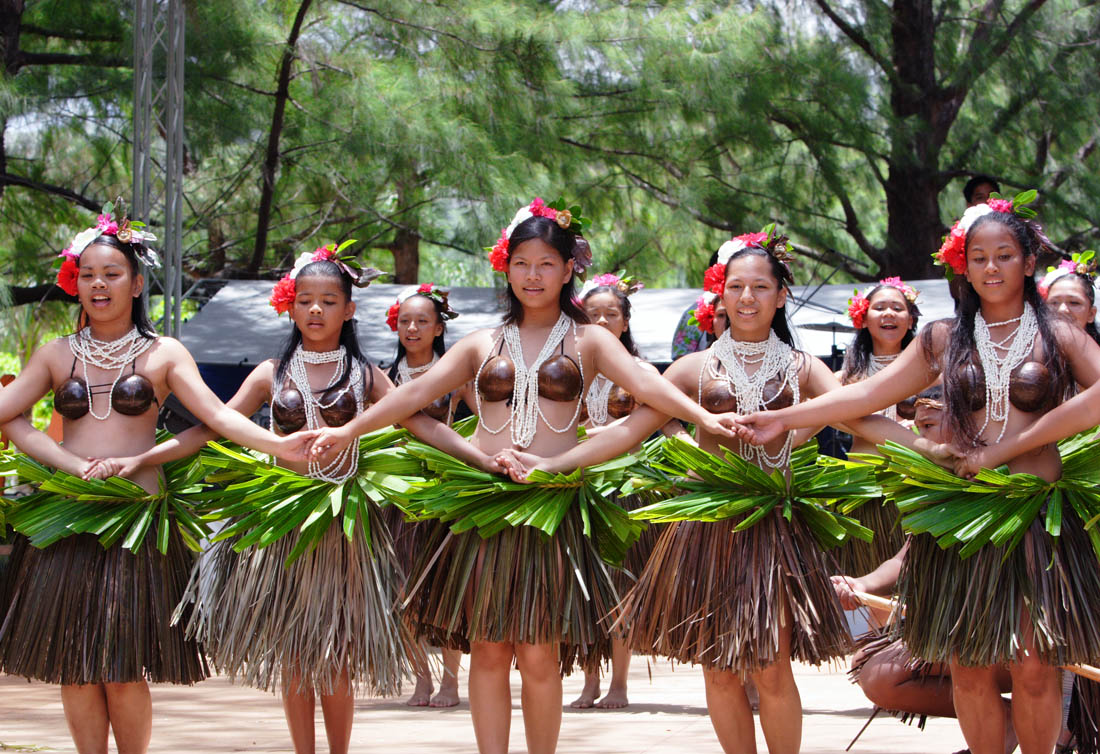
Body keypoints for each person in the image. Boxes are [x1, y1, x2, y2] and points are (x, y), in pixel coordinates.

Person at [307, 197, 741, 754]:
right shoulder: (480, 343)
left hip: (551, 507)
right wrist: (350, 432)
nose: (532, 276)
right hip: (485, 508)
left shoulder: (590, 341)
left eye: (545, 265)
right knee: (487, 648)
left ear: (567, 271)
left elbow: (651, 396)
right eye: (521, 264)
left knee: (539, 651)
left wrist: (698, 418)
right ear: (505, 268)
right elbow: (413, 397)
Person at [494, 227, 931, 754]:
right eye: (736, 287)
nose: (747, 298)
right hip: (706, 535)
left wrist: (931, 451)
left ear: (781, 295)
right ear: (720, 295)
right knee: (720, 673)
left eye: (761, 288)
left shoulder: (803, 367)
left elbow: (862, 419)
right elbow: (632, 427)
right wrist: (555, 462)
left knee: (771, 670)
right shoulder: (692, 369)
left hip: (776, 533)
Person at [95, 245, 497, 754]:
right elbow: (214, 427)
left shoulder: (366, 374)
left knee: (336, 654)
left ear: (348, 310)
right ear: (290, 306)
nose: (315, 311)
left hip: (346, 528)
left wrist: (481, 458)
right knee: (294, 651)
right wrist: (146, 459)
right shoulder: (270, 373)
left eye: (328, 301)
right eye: (305, 300)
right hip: (282, 527)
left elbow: (419, 423)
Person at [737, 195, 1100, 754]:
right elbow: (863, 397)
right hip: (958, 516)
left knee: (1034, 666)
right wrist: (783, 417)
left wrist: (1010, 448)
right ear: (963, 265)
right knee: (969, 666)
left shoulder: (1058, 334)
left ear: (1029, 262)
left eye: (1005, 255)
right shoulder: (943, 337)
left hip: (1035, 515)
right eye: (978, 257)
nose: (991, 268)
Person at [0, 208, 316, 754]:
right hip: (66, 522)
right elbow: (8, 415)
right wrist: (66, 463)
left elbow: (215, 418)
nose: (99, 284)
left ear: (138, 282)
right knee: (75, 669)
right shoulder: (56, 354)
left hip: (137, 523)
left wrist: (276, 445)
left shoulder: (163, 353)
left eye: (113, 274)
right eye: (89, 275)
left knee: (122, 669)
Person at [569, 271, 660, 710]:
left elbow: (670, 424)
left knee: (621, 588)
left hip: (628, 489)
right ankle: (588, 681)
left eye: (611, 314)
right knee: (586, 589)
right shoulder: (570, 369)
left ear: (625, 323)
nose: (602, 321)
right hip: (579, 486)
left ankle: (619, 683)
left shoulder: (642, 372)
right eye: (593, 315)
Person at [384, 283, 469, 708]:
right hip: (397, 496)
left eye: (422, 321)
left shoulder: (457, 377)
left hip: (445, 490)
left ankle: (451, 681)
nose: (412, 328)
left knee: (447, 588)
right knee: (403, 591)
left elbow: (493, 413)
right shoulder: (383, 378)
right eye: (405, 322)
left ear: (438, 328)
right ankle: (420, 677)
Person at [833, 277, 922, 575]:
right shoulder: (846, 379)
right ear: (863, 318)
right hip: (861, 490)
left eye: (897, 308)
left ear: (910, 320)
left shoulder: (930, 373)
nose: (888, 314)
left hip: (913, 491)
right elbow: (807, 415)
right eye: (879, 307)